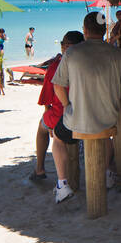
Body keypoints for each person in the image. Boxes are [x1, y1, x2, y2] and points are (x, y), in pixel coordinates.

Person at [49, 12, 121, 204]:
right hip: (108, 118)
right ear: (104, 30)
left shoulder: (72, 53)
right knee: (104, 134)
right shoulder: (117, 53)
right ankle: (105, 172)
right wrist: (114, 96)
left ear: (85, 30)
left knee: (57, 136)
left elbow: (57, 85)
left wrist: (67, 106)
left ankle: (63, 184)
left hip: (77, 120)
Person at [33, 30, 83, 183]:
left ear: (64, 47)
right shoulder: (88, 64)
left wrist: (49, 123)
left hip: (62, 116)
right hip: (86, 114)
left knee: (41, 128)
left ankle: (40, 169)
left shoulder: (56, 67)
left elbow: (46, 99)